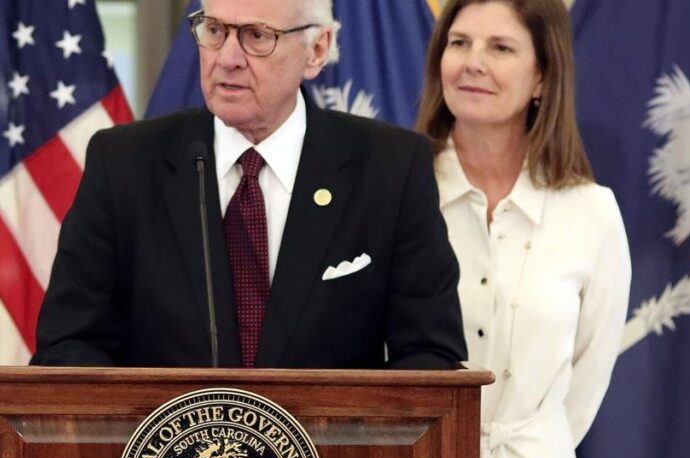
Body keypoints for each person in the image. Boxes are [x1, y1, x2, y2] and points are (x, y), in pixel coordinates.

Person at [31, 0, 466, 369]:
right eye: (215, 31)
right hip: (164, 443)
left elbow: (430, 356)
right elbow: (67, 347)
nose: (227, 58)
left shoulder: (390, 168)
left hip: (330, 446)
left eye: (257, 36)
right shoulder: (124, 163)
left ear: (317, 50)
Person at [416, 0, 631, 458]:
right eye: (459, 43)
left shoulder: (592, 212)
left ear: (542, 78)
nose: (473, 62)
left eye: (501, 48)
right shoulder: (398, 192)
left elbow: (586, 382)